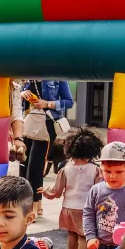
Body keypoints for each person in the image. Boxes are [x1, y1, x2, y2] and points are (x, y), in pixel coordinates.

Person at [43, 127, 103, 249]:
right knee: (83, 235)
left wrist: (46, 192)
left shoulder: (66, 169)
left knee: (71, 234)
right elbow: (99, 190)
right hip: (86, 209)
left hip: (68, 207)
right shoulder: (95, 170)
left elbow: (57, 190)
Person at [20, 79, 74, 216]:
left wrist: (47, 103)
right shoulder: (28, 77)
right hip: (27, 123)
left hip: (46, 124)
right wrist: (23, 93)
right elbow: (19, 100)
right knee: (24, 165)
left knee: (35, 166)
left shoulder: (56, 77)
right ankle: (35, 205)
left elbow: (69, 102)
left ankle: (32, 208)